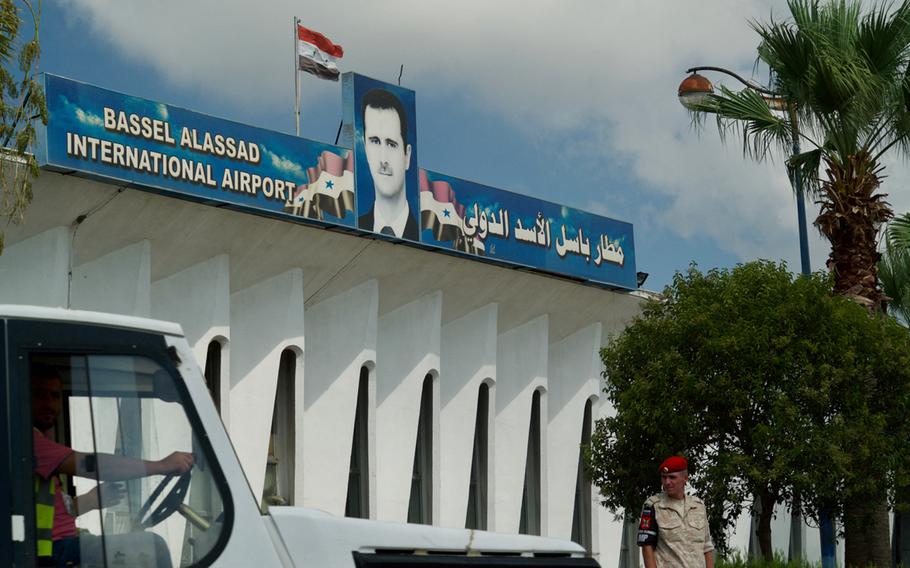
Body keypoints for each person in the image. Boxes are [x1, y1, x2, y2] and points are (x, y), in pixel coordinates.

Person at [32, 363, 194, 567]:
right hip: (53, 552)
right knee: (154, 547)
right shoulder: (29, 442)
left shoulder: (38, 443)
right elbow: (91, 464)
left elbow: (46, 516)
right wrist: (161, 466)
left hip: (61, 545)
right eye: (39, 395)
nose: (49, 403)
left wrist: (88, 501)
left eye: (55, 396)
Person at [357, 88, 419, 240]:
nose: (383, 159)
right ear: (365, 148)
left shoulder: (422, 236)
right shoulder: (351, 231)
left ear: (407, 155)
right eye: (375, 142)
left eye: (391, 144)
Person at [638, 456, 714, 568]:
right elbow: (646, 546)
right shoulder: (653, 505)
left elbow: (707, 547)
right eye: (664, 477)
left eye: (672, 477)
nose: (667, 482)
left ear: (685, 478)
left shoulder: (698, 506)